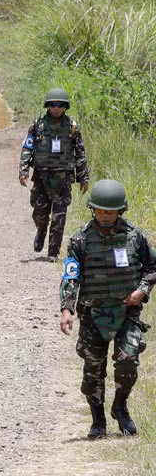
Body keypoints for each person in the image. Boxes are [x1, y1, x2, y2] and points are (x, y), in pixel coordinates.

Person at [60, 180, 156, 438]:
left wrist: (142, 291)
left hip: (127, 312)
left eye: (110, 211)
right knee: (93, 372)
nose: (104, 215)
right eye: (100, 210)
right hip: (93, 315)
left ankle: (120, 408)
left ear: (120, 211)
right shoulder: (80, 240)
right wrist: (67, 310)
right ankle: (98, 421)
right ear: (93, 209)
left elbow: (152, 268)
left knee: (127, 363)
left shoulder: (135, 237)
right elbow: (71, 277)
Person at [19, 88, 89, 261]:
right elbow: (28, 147)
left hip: (63, 179)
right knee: (39, 212)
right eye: (52, 104)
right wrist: (23, 170)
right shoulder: (37, 125)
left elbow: (80, 153)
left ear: (65, 106)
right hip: (41, 177)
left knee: (59, 217)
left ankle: (53, 252)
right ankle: (41, 230)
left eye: (60, 104)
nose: (56, 107)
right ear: (47, 106)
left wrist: (83, 177)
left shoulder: (72, 127)